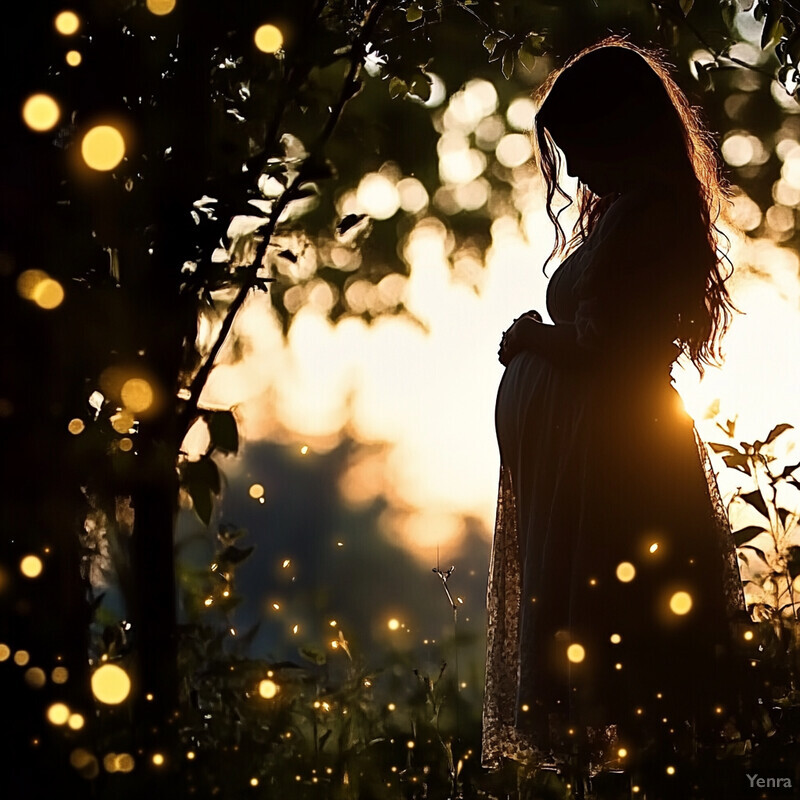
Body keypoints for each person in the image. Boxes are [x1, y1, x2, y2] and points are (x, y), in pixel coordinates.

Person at [481, 37, 748, 798]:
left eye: (585, 147)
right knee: (604, 662)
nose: (579, 170)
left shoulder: (651, 218)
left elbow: (612, 348)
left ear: (622, 130)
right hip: (587, 464)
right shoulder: (625, 215)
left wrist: (536, 338)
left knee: (624, 659)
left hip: (618, 467)